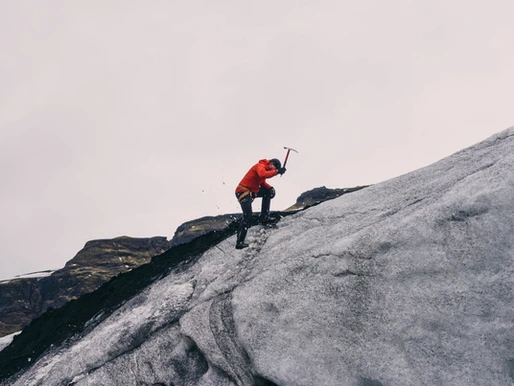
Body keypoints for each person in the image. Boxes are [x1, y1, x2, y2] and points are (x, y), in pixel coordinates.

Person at [234, 158, 286, 249]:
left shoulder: (265, 168)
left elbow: (262, 182)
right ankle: (239, 242)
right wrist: (277, 171)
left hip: (251, 191)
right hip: (243, 191)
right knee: (248, 216)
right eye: (274, 168)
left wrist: (270, 188)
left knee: (268, 193)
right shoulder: (260, 166)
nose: (274, 170)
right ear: (271, 164)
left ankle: (264, 218)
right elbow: (262, 174)